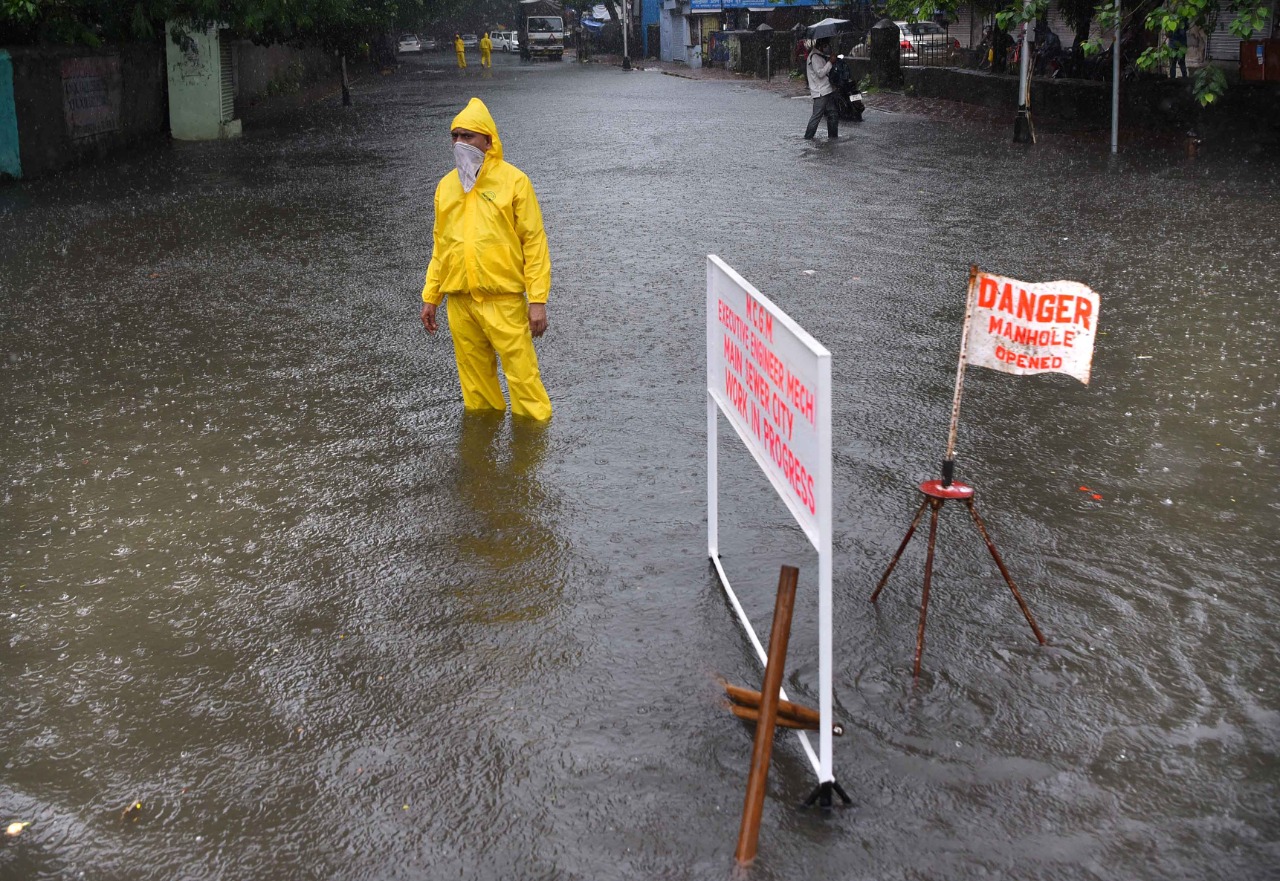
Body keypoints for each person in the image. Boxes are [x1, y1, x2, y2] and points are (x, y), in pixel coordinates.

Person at [420, 98, 553, 422]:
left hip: (503, 300)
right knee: (476, 391)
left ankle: (533, 449)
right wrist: (431, 297)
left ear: (488, 141)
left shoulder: (514, 182)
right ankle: (483, 456)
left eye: (468, 136)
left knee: (523, 380)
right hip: (460, 302)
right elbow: (441, 245)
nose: (460, 143)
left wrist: (537, 300)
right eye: (455, 136)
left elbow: (533, 242)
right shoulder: (446, 187)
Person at [803, 38, 838, 140]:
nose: (828, 48)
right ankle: (808, 137)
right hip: (820, 92)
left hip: (827, 89)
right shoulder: (814, 57)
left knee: (833, 114)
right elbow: (820, 73)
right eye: (826, 45)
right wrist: (830, 62)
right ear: (821, 45)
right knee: (816, 116)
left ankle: (833, 137)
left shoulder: (819, 56)